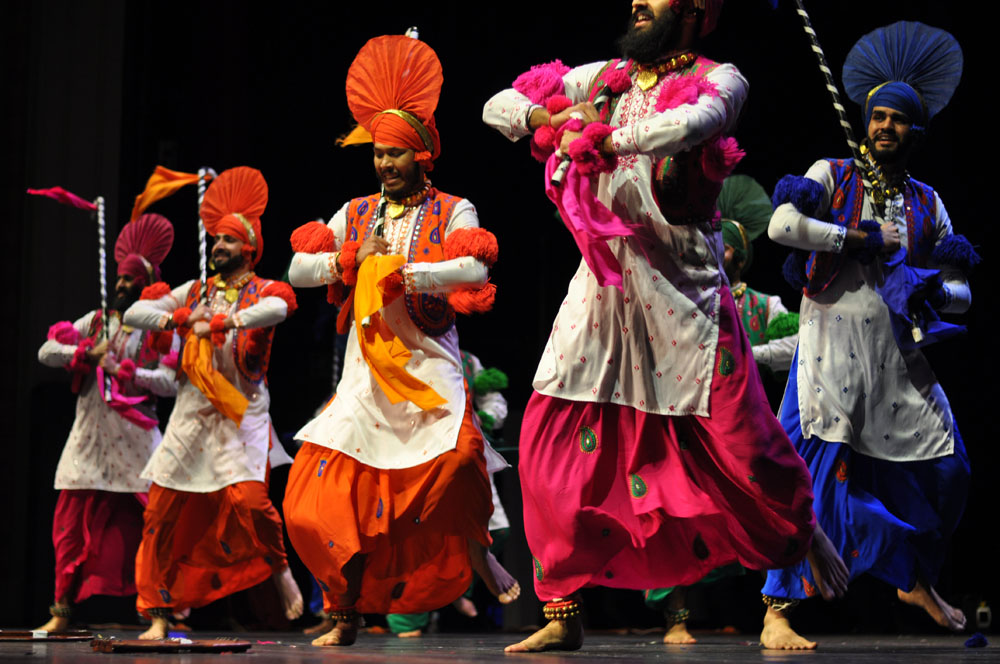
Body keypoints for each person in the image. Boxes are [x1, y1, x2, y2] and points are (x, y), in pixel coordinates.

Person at [484, 0, 847, 652]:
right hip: (603, 293)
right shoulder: (600, 80)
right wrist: (547, 116)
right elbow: (498, 104)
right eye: (635, 0)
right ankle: (562, 612)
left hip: (687, 295)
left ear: (696, 13)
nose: (639, 6)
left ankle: (799, 531)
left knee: (748, 452)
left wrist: (601, 138)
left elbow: (691, 124)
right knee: (542, 449)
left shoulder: (721, 77)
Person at [283, 34, 519, 648]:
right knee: (333, 495)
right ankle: (342, 614)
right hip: (365, 374)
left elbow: (475, 271)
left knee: (462, 460)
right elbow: (296, 273)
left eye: (395, 155)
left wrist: (405, 272)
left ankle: (477, 551)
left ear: (422, 157)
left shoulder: (454, 211)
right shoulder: (356, 212)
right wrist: (348, 261)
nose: (384, 164)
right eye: (379, 155)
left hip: (430, 364)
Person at [761, 21, 973, 649]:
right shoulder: (832, 174)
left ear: (917, 130)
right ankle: (777, 609)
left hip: (894, 364)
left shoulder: (929, 204)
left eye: (897, 120)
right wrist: (854, 240)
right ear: (866, 120)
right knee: (811, 481)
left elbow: (963, 292)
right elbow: (780, 225)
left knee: (950, 472)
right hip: (825, 357)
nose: (884, 127)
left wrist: (939, 291)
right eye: (877, 116)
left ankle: (911, 572)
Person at [123, 166, 303, 639]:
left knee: (251, 501)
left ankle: (279, 569)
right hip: (191, 415)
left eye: (226, 241)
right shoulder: (196, 291)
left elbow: (281, 308)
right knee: (159, 515)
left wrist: (222, 324)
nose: (216, 248)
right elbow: (135, 312)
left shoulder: (264, 290)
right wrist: (181, 316)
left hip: (241, 415)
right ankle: (157, 612)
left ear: (248, 247)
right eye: (214, 241)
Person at [36, 213, 179, 631]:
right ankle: (60, 613)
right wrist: (83, 355)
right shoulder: (96, 322)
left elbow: (171, 383)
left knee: (153, 531)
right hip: (89, 443)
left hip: (137, 442)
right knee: (68, 532)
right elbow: (46, 351)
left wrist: (129, 372)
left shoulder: (158, 329)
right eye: (119, 279)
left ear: (145, 284)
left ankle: (158, 614)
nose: (121, 286)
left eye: (130, 280)